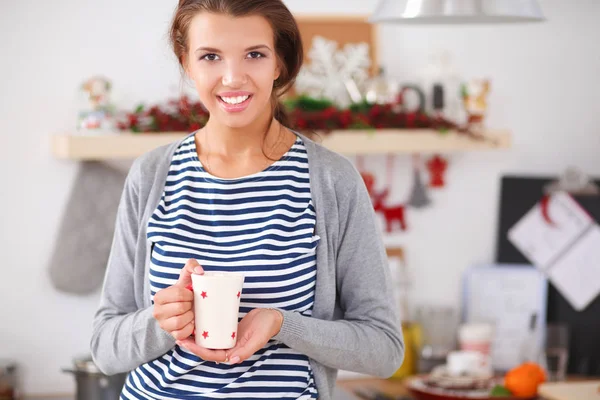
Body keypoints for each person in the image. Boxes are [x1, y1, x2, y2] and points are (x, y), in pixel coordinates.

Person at [90, 0, 404, 398]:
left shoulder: (330, 180)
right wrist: (160, 321)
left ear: (279, 64)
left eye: (254, 54)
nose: (233, 77)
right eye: (210, 56)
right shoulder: (152, 175)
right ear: (187, 63)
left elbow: (384, 350)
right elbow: (104, 348)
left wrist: (283, 324)